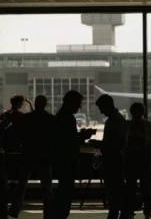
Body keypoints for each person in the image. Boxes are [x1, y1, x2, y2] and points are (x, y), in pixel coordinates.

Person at [8, 95, 55, 219]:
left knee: (22, 185)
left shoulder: (26, 118)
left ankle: (14, 210)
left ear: (36, 103)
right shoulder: (50, 119)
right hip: (44, 157)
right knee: (47, 188)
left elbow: (18, 135)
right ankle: (48, 213)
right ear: (45, 104)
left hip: (28, 154)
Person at [53, 90, 95, 219]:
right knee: (66, 190)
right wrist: (84, 135)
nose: (79, 106)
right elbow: (69, 140)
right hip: (67, 160)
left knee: (63, 189)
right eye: (78, 103)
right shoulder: (67, 117)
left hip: (62, 159)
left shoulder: (61, 116)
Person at [91, 94, 128, 219]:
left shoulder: (114, 121)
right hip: (116, 159)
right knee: (116, 189)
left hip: (113, 161)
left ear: (107, 106)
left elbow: (113, 144)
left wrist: (98, 144)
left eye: (101, 107)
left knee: (113, 189)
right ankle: (120, 212)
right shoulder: (117, 119)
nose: (101, 111)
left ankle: (115, 212)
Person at [124, 102, 151, 219]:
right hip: (144, 159)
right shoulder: (148, 124)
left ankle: (130, 210)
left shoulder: (127, 125)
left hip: (131, 160)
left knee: (131, 187)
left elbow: (124, 143)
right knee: (146, 188)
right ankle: (147, 211)